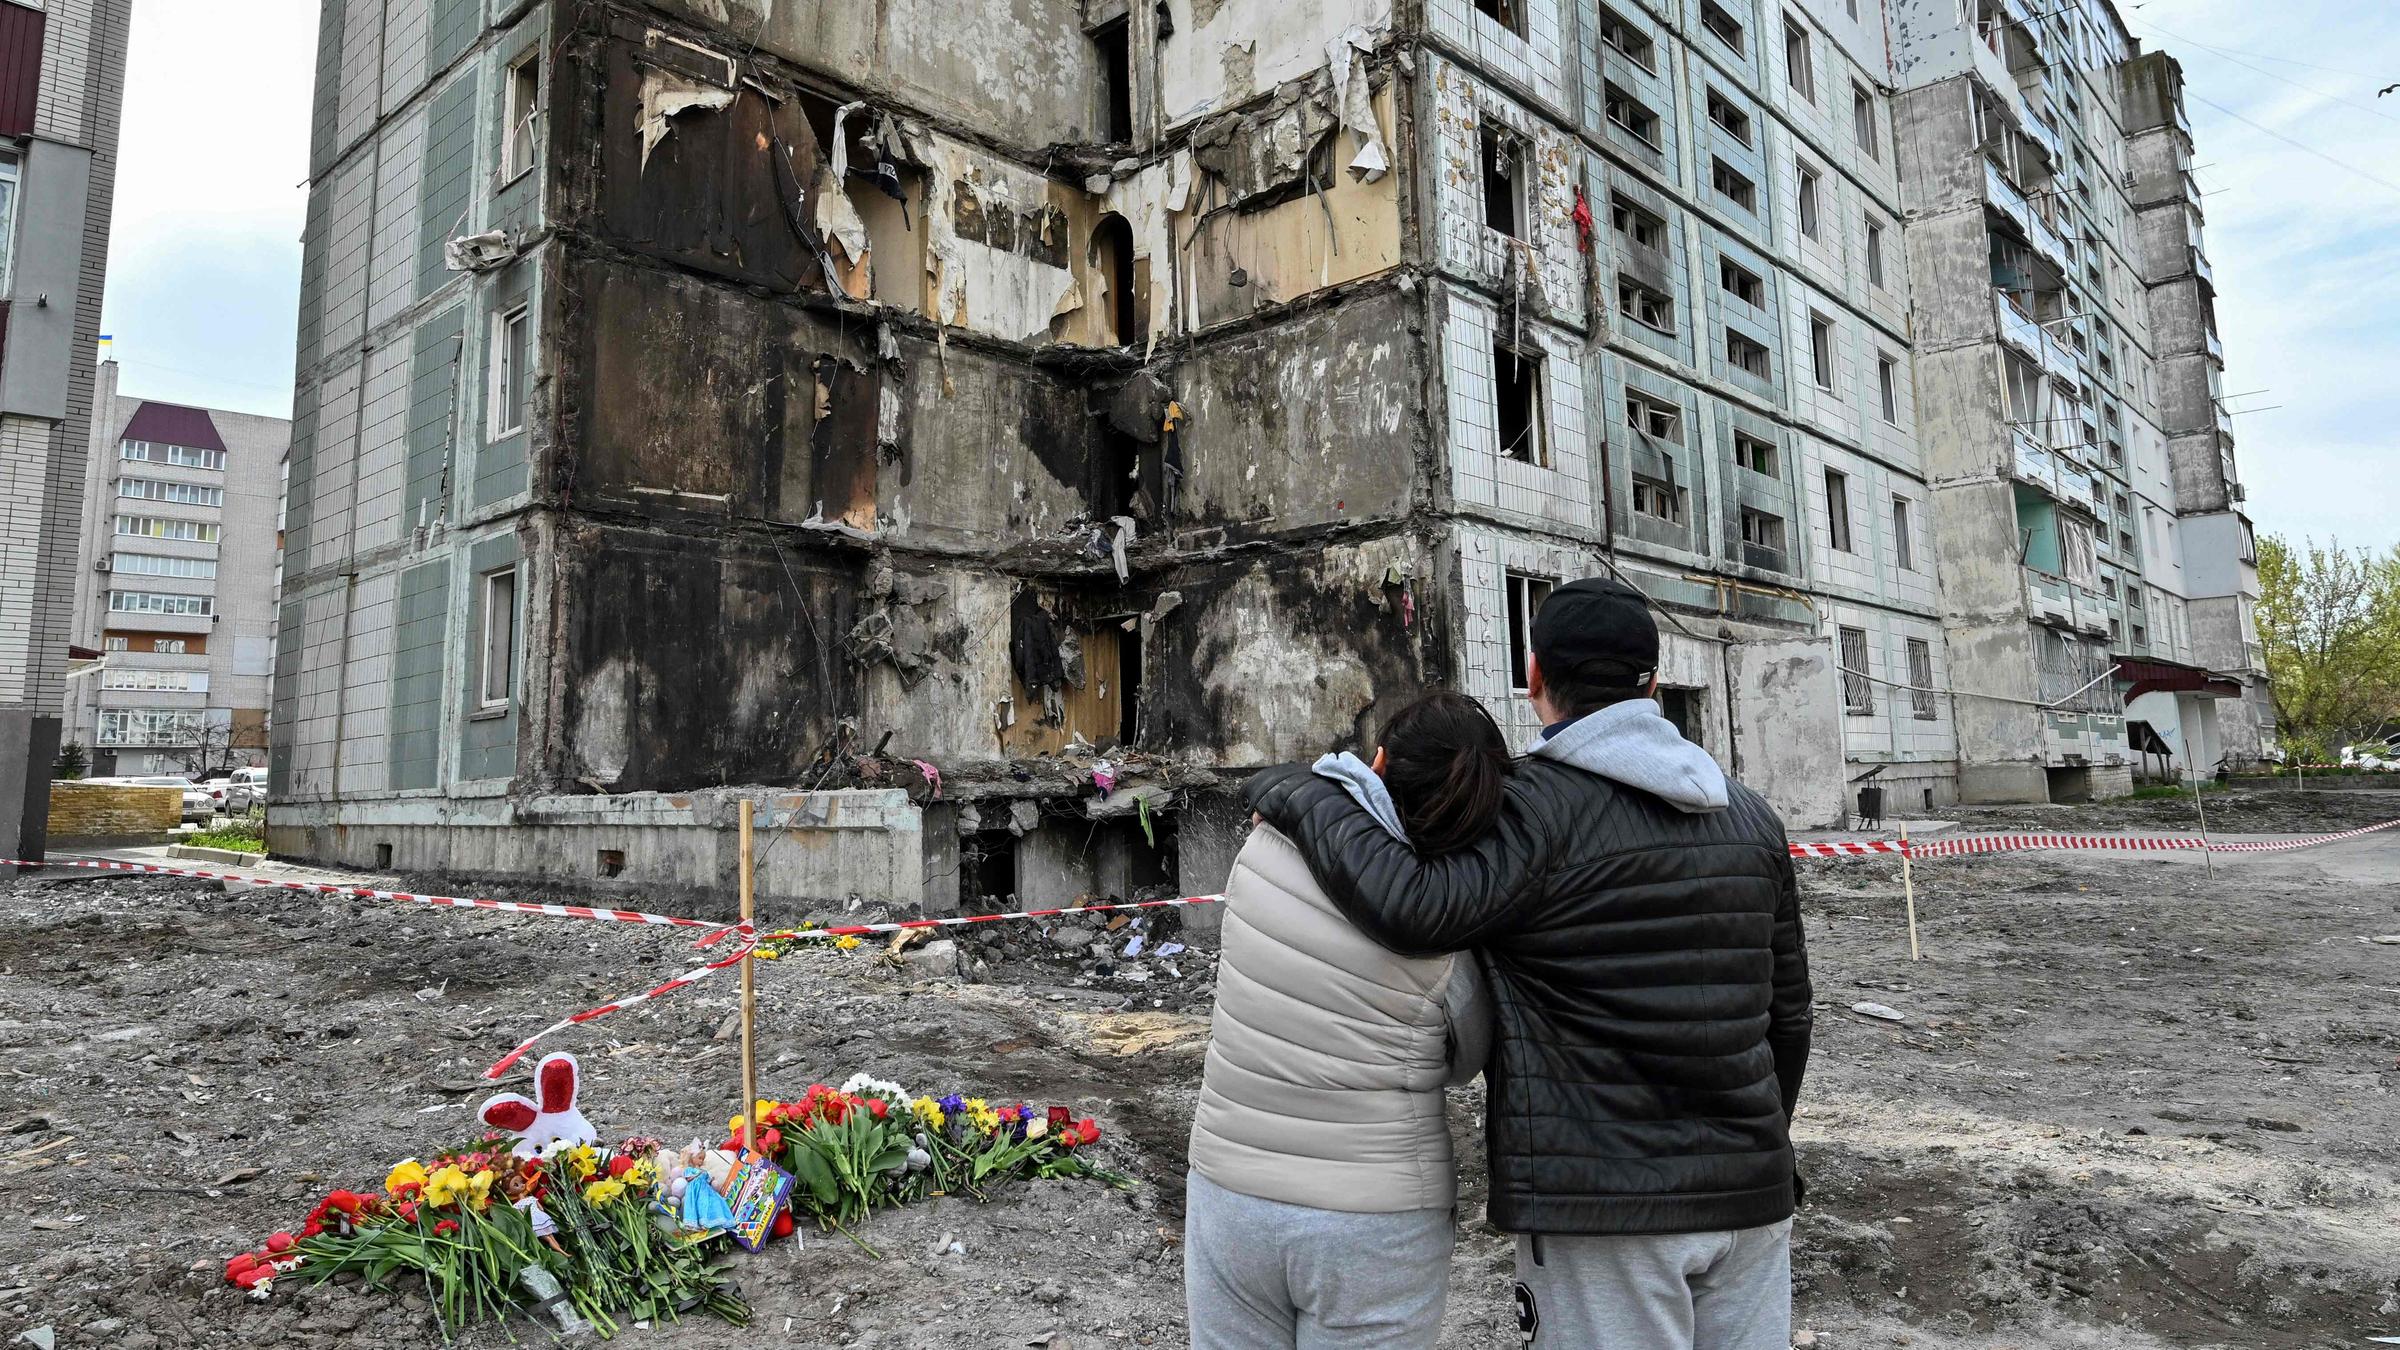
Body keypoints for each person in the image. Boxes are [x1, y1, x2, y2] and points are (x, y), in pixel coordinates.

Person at [1247, 577, 1813, 1350]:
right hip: (1752, 1200)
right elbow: (1790, 1016)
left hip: (1603, 1214)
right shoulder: (1752, 816)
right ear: (1653, 682)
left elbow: (1413, 906)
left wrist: (1298, 793)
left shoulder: (1532, 810)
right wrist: (1757, 1147)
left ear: (1535, 674)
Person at [1184, 690, 1507, 1350]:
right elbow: (1465, 1060)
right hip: (1377, 1217)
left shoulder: (1266, 842)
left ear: (1379, 761)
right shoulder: (1452, 922)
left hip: (1229, 1193)